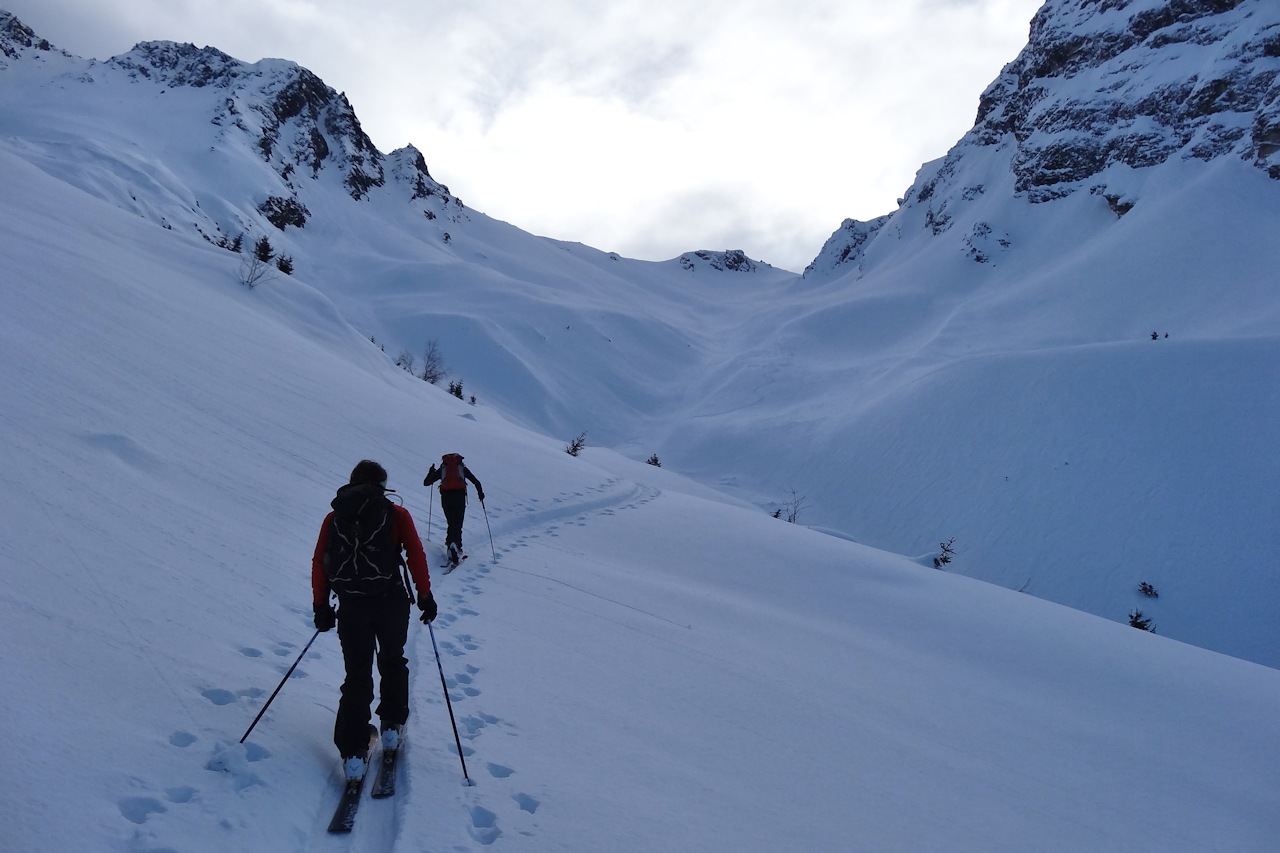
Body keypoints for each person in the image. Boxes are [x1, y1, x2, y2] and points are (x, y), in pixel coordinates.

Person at [312, 460, 437, 780]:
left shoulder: (334, 516)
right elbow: (415, 554)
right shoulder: (396, 514)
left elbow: (320, 561)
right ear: (381, 486)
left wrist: (321, 606)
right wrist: (425, 596)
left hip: (352, 605)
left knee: (356, 675)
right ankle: (392, 728)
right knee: (393, 660)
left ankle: (353, 752)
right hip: (391, 601)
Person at [422, 452, 484, 566]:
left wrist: (431, 471)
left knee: (451, 522)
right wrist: (481, 494)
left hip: (446, 498)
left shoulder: (443, 468)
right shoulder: (462, 468)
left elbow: (427, 483)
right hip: (459, 497)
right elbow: (476, 481)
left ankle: (450, 545)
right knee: (458, 523)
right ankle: (456, 547)